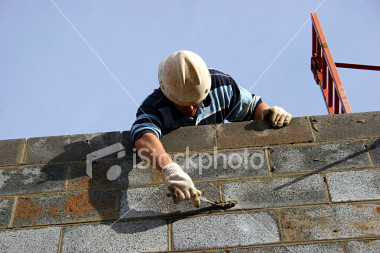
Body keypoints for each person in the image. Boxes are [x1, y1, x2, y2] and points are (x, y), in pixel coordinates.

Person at [131, 50, 292, 207]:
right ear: (167, 94)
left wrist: (269, 113)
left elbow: (253, 108)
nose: (191, 109)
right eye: (183, 103)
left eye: (196, 101)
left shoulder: (221, 85)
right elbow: (143, 137)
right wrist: (170, 170)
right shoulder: (153, 106)